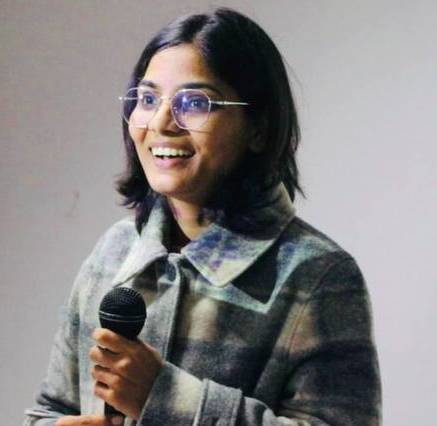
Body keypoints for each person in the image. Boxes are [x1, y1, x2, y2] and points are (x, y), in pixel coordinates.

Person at [23, 7, 382, 426]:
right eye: (147, 99)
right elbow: (50, 408)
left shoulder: (318, 276)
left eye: (195, 103)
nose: (161, 123)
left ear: (258, 127)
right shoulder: (115, 251)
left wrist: (164, 397)